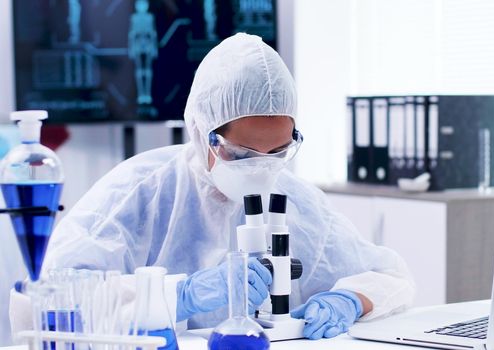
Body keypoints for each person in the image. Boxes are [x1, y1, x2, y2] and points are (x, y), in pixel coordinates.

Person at [40, 33, 415, 339]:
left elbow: (390, 277)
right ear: (202, 132)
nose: (260, 170)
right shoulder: (141, 191)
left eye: (278, 153)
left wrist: (348, 298)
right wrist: (179, 296)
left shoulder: (297, 201)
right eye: (243, 154)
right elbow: (57, 301)